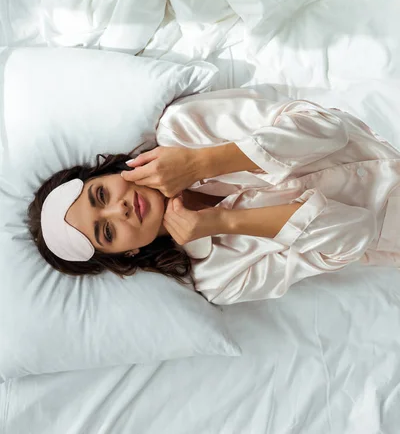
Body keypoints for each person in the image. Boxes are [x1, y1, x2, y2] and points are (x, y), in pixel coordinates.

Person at [28, 88, 400, 304]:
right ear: (127, 254)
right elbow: (357, 231)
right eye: (106, 232)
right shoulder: (218, 279)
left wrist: (203, 162)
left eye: (101, 195)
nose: (119, 208)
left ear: (108, 173)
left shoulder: (183, 126)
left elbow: (328, 130)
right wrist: (225, 222)